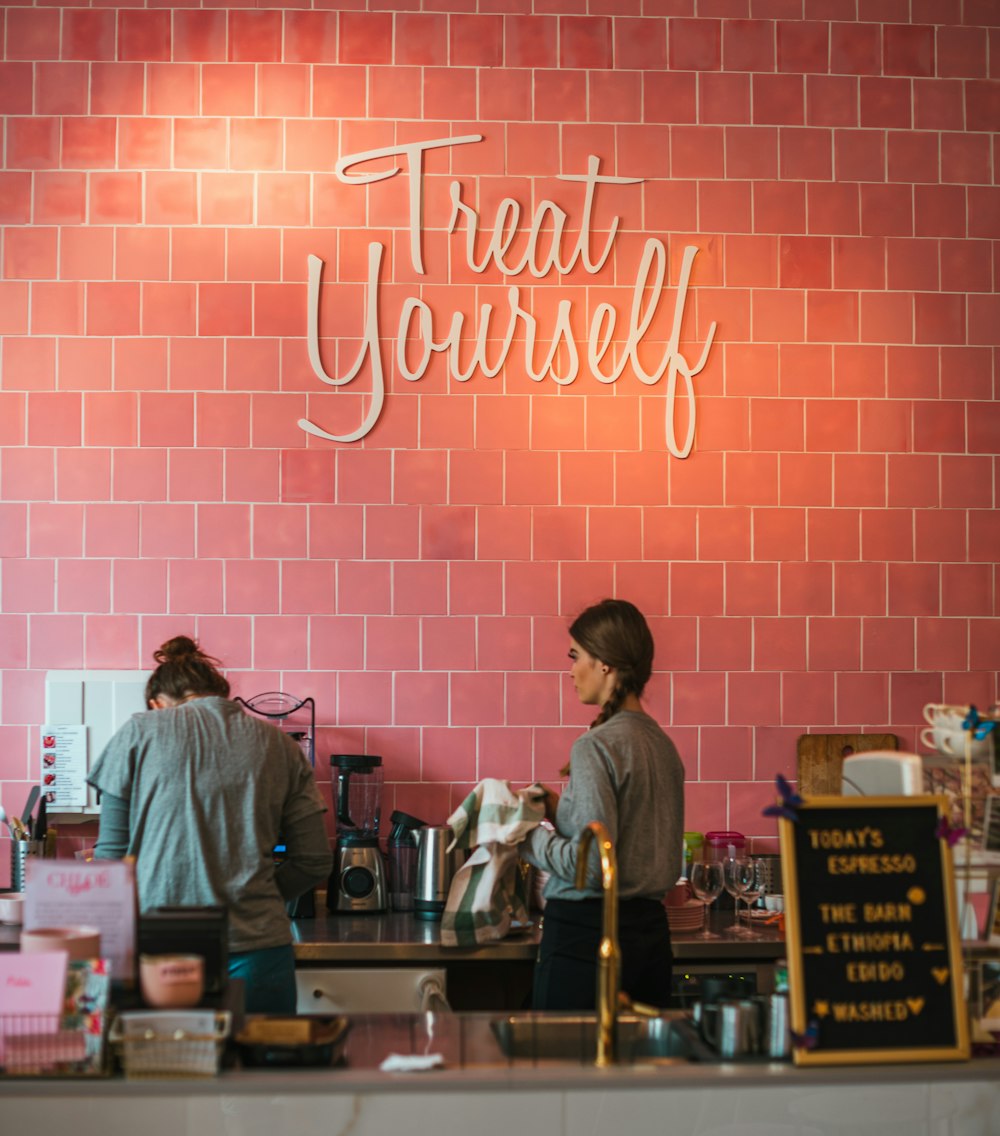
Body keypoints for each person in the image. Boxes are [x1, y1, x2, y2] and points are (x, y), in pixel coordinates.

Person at [89, 636, 332, 1013]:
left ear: (156, 704)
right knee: (259, 1069)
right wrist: (259, 893)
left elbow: (110, 862)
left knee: (168, 1068)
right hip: (259, 948)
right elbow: (314, 862)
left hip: (161, 954)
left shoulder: (138, 732)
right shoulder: (281, 745)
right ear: (220, 693)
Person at [522, 598, 685, 1011]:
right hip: (650, 938)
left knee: (570, 1071)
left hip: (587, 937)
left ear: (606, 664)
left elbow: (595, 867)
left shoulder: (595, 746)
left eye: (577, 656)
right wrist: (558, 808)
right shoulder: (662, 746)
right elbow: (624, 837)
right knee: (637, 1070)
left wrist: (525, 839)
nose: (572, 669)